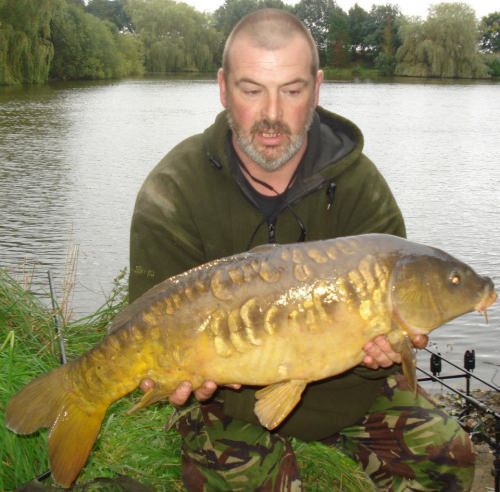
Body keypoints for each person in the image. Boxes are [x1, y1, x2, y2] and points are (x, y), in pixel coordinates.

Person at [129, 8, 474, 491]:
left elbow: (400, 321)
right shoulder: (174, 190)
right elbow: (143, 318)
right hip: (227, 401)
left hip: (350, 391)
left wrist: (383, 355)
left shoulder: (360, 186)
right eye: (252, 90)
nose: (272, 114)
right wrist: (179, 379)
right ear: (223, 87)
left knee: (449, 456)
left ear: (317, 88)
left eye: (291, 90)